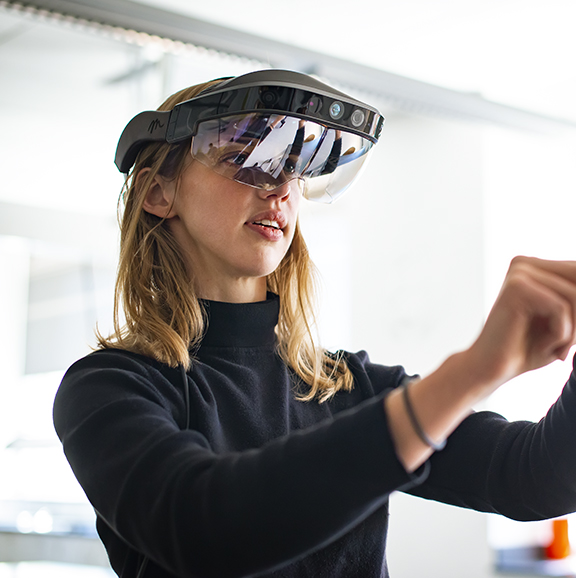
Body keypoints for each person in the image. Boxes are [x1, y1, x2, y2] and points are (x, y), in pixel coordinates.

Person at [53, 69, 576, 578]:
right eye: (245, 159)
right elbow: (203, 528)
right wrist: (470, 373)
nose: (279, 189)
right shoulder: (109, 388)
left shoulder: (348, 387)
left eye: (293, 169)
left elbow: (534, 478)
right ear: (158, 193)